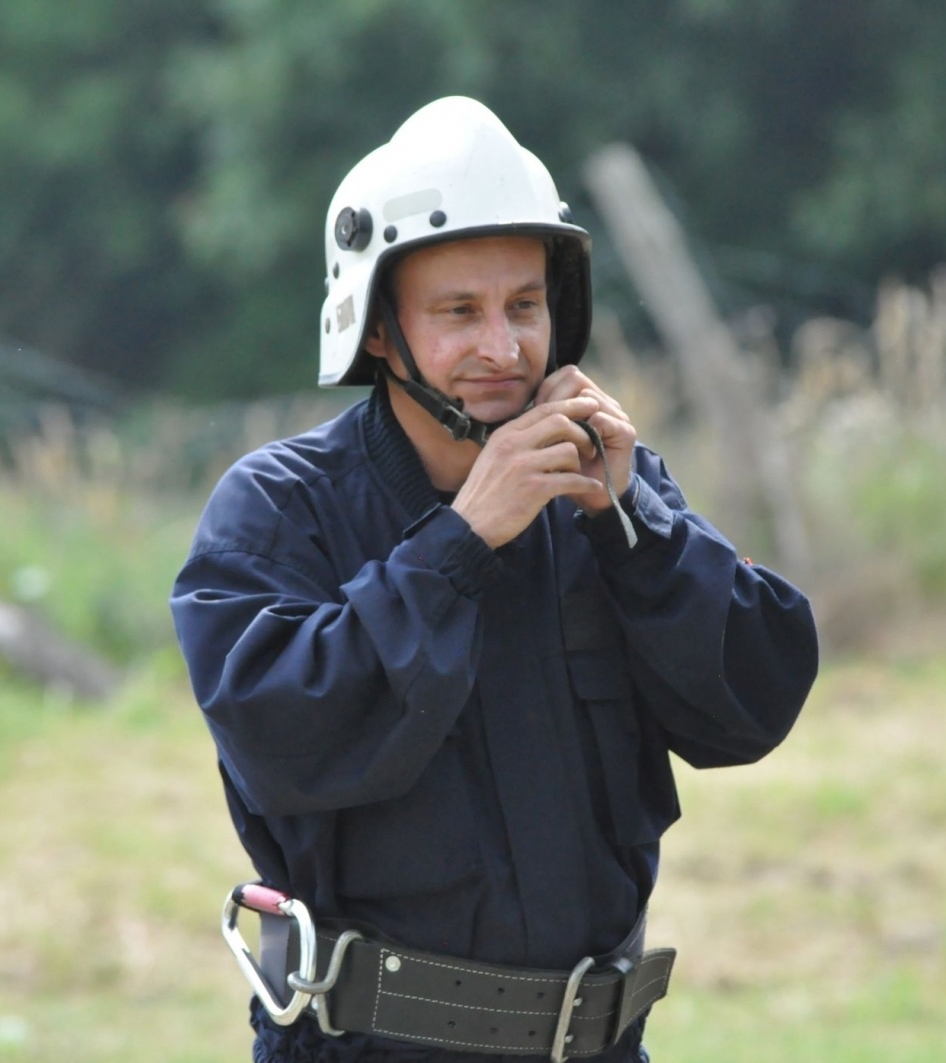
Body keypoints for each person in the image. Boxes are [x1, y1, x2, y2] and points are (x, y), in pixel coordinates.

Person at [171, 96, 818, 1063]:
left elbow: (753, 706)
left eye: (524, 305)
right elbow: (283, 740)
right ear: (378, 331)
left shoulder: (609, 491)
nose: (504, 348)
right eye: (459, 312)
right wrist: (464, 541)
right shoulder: (278, 506)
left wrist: (634, 519)